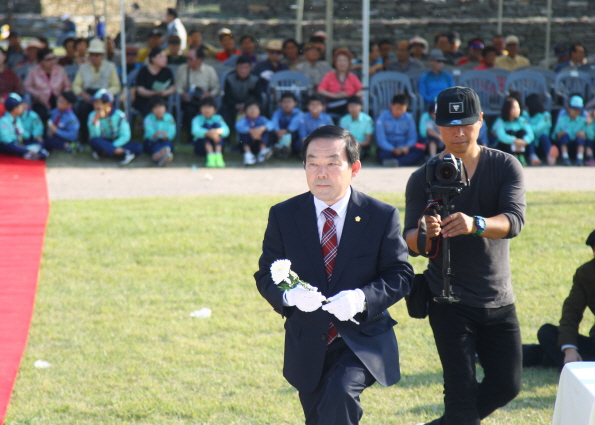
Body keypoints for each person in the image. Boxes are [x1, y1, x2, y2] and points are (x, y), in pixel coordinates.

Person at [254, 124, 414, 425]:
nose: (321, 172)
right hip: (308, 341)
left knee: (341, 393)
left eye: (331, 163)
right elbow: (266, 274)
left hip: (361, 339)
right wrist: (289, 295)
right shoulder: (284, 215)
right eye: (312, 163)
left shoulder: (380, 216)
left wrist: (361, 298)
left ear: (354, 168)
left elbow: (401, 274)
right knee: (319, 417)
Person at [404, 86, 525, 425]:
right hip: (447, 300)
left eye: (467, 124)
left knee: (507, 385)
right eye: (450, 125)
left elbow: (514, 221)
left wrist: (477, 223)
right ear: (437, 126)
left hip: (498, 296)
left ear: (482, 121)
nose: (459, 132)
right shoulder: (422, 177)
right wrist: (426, 232)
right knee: (460, 398)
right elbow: (411, 242)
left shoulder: (505, 166)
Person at [523, 230, 595, 370]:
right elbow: (571, 312)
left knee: (544, 355)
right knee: (547, 333)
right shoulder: (586, 274)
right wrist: (570, 350)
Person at [72, 38, 121, 142]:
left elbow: (116, 86)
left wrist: (105, 95)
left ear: (102, 55)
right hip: (88, 95)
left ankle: (108, 137)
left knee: (106, 110)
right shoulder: (83, 67)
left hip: (104, 95)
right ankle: (85, 138)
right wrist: (82, 94)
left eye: (97, 54)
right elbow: (76, 85)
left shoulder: (110, 66)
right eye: (91, 54)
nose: (94, 57)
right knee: (83, 109)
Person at [87, 89, 139, 165]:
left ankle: (106, 152)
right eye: (94, 102)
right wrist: (96, 121)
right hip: (103, 141)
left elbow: (125, 136)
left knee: (138, 147)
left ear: (107, 105)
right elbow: (95, 136)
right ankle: (123, 153)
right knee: (93, 141)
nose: (95, 105)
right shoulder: (92, 115)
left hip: (116, 142)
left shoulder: (120, 115)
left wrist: (112, 147)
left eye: (98, 103)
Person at [175, 46, 220, 131]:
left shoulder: (209, 70)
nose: (188, 61)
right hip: (190, 100)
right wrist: (183, 94)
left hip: (205, 100)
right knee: (189, 110)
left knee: (208, 110)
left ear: (199, 59)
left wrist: (209, 94)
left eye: (190, 59)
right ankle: (190, 137)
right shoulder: (183, 69)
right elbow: (178, 87)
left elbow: (216, 88)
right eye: (187, 58)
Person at [375, 93, 424, 167]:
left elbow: (413, 137)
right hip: (389, 148)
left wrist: (407, 147)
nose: (399, 112)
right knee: (382, 153)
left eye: (403, 110)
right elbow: (381, 140)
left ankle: (396, 162)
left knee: (419, 151)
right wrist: (393, 149)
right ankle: (402, 161)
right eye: (398, 108)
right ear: (391, 105)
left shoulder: (409, 118)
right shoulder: (382, 118)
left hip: (404, 148)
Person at [24, 48, 72, 123]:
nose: (52, 62)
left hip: (58, 99)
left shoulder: (60, 69)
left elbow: (67, 86)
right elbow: (27, 86)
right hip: (40, 100)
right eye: (48, 60)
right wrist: (38, 94)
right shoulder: (34, 70)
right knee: (40, 113)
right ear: (41, 61)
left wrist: (63, 97)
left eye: (53, 59)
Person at [0, 94, 48, 160]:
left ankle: (30, 153)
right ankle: (29, 153)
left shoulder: (17, 119)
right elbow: (5, 139)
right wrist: (19, 145)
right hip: (9, 145)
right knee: (10, 147)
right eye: (21, 106)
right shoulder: (4, 121)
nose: (23, 107)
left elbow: (22, 133)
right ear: (15, 109)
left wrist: (34, 136)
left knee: (39, 142)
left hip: (19, 143)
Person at [317, 48, 363, 116]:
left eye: (345, 61)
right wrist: (336, 96)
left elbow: (361, 91)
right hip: (333, 104)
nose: (342, 63)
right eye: (340, 60)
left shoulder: (352, 76)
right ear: (335, 62)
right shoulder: (329, 75)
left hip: (349, 104)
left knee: (352, 105)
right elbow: (320, 90)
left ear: (349, 63)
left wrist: (350, 96)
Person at [492, 96, 535, 166]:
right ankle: (512, 157)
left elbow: (530, 133)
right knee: (511, 132)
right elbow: (501, 136)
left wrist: (524, 141)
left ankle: (521, 157)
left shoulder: (521, 120)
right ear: (507, 109)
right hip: (505, 147)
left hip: (521, 145)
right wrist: (515, 141)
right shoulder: (500, 121)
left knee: (522, 132)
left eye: (518, 107)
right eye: (514, 108)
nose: (518, 110)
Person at [220, 55, 260, 130]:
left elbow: (257, 97)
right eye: (241, 68)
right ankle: (227, 136)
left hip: (250, 106)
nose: (243, 71)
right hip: (233, 105)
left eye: (246, 68)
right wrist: (236, 105)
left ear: (250, 68)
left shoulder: (255, 79)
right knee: (224, 111)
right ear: (236, 67)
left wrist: (246, 106)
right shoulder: (229, 78)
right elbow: (227, 97)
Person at [133, 47, 176, 117]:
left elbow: (173, 87)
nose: (165, 59)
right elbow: (140, 90)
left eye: (165, 57)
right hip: (145, 100)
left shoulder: (167, 71)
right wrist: (154, 93)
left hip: (161, 100)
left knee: (162, 106)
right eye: (161, 57)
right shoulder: (143, 71)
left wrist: (165, 92)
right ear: (153, 59)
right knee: (149, 107)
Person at [191, 97, 230, 168]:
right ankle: (210, 156)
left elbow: (226, 130)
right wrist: (209, 133)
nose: (207, 110)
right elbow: (195, 131)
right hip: (201, 147)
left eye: (209, 107)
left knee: (217, 126)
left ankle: (218, 157)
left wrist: (216, 132)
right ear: (200, 109)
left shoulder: (218, 118)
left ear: (215, 110)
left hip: (216, 143)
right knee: (207, 125)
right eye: (204, 107)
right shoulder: (197, 119)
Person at [551, 95, 589, 166]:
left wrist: (584, 132)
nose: (576, 112)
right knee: (563, 137)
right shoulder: (562, 118)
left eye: (579, 110)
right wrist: (558, 133)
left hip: (578, 144)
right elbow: (554, 134)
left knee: (581, 137)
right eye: (574, 109)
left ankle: (579, 159)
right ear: (568, 108)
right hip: (565, 144)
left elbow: (590, 134)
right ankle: (565, 158)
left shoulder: (583, 119)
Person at [235, 100, 274, 165]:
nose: (253, 111)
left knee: (265, 132)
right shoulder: (243, 120)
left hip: (259, 141)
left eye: (255, 108)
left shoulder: (262, 119)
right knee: (243, 134)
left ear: (259, 111)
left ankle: (263, 152)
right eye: (250, 108)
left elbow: (271, 124)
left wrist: (262, 129)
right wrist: (251, 131)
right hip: (247, 143)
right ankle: (248, 155)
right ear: (245, 111)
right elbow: (238, 126)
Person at [524, 93, 558, 166]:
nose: (526, 108)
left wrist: (527, 127)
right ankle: (533, 157)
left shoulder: (546, 116)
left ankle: (550, 156)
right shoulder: (527, 115)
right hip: (530, 145)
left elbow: (537, 129)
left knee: (543, 136)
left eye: (527, 106)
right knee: (529, 137)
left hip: (542, 145)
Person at [142, 96, 175, 167]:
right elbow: (151, 134)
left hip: (165, 140)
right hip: (151, 141)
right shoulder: (148, 118)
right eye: (155, 107)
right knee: (153, 145)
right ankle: (162, 156)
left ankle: (159, 157)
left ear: (165, 108)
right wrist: (161, 135)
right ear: (151, 110)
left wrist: (162, 135)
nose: (158, 110)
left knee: (168, 144)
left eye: (161, 107)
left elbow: (172, 132)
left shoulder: (169, 118)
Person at [271, 92, 303, 158]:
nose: (286, 104)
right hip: (278, 135)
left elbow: (294, 125)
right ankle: (279, 149)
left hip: (291, 135)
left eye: (289, 102)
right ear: (280, 104)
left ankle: (286, 150)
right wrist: (277, 131)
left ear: (295, 103)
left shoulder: (299, 113)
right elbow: (274, 122)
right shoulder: (277, 113)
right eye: (284, 102)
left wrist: (286, 131)